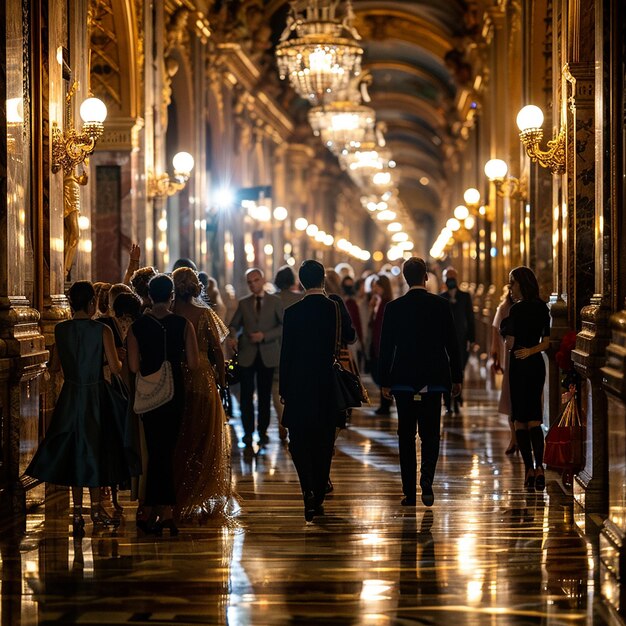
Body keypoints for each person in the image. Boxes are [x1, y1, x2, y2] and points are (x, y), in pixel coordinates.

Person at [26, 281, 129, 535]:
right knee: (94, 450)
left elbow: (54, 368)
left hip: (71, 395)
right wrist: (119, 356)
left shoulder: (61, 330)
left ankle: (77, 512)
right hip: (95, 394)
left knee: (74, 452)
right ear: (92, 302)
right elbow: (115, 369)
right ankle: (96, 509)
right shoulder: (102, 330)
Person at [379, 257, 462, 507]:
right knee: (430, 435)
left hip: (403, 380)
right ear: (426, 277)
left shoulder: (394, 308)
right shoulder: (441, 305)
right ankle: (427, 480)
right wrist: (456, 377)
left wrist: (385, 380)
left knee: (405, 435)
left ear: (405, 278)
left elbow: (386, 348)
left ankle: (409, 492)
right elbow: (452, 345)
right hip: (434, 380)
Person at [279, 260, 354, 521]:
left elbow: (286, 354)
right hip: (326, 384)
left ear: (300, 282)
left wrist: (284, 388)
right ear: (323, 280)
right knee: (324, 442)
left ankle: (307, 491)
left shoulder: (292, 313)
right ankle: (320, 491)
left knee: (299, 442)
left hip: (299, 385)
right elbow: (350, 336)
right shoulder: (333, 308)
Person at [127, 274, 199, 535]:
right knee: (166, 450)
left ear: (149, 295)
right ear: (171, 296)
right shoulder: (183, 324)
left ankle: (152, 509)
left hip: (148, 393)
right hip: (174, 390)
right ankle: (165, 511)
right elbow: (193, 363)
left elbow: (133, 366)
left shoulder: (137, 327)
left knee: (155, 450)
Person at [171, 267, 233, 521]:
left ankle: (179, 490)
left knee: (181, 436)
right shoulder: (205, 314)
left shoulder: (170, 312)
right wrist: (221, 378)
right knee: (205, 436)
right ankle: (204, 491)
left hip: (176, 378)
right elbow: (218, 350)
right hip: (203, 377)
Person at [500, 266, 550, 491]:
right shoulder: (542, 307)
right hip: (536, 364)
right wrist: (532, 351)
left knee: (520, 419)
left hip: (519, 366)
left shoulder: (516, 311)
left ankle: (529, 469)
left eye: (513, 283)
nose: (510, 288)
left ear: (521, 284)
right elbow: (547, 342)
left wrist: (509, 339)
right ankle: (541, 468)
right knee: (535, 419)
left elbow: (510, 344)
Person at [228, 268, 284, 446]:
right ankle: (247, 431)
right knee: (246, 395)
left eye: (256, 280)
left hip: (268, 354)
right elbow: (233, 324)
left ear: (262, 279)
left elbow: (283, 326)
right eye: (249, 282)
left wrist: (265, 336)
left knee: (265, 393)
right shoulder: (244, 303)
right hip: (247, 353)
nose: (253, 284)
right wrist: (233, 336)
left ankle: (263, 429)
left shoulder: (275, 301)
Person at [273, 265, 303, 441]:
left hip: (275, 349)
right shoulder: (300, 299)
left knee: (276, 387)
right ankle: (294, 420)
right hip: (297, 350)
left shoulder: (271, 299)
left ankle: (282, 420)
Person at [440, 267, 475, 414]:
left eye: (453, 277)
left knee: (460, 368)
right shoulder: (441, 297)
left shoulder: (465, 296)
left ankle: (458, 396)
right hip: (446, 339)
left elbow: (470, 318)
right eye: (448, 277)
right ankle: (447, 401)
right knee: (446, 370)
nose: (451, 280)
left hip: (461, 339)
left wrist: (472, 339)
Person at [491, 287, 516, 454]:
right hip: (509, 356)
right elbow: (496, 331)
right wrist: (496, 355)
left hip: (524, 355)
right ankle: (514, 437)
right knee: (510, 398)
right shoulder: (504, 307)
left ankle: (519, 437)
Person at [369, 274, 393, 415]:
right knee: (378, 373)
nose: (374, 289)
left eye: (377, 286)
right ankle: (385, 403)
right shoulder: (379, 302)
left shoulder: (386, 304)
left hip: (381, 344)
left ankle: (386, 404)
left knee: (382, 375)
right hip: (376, 342)